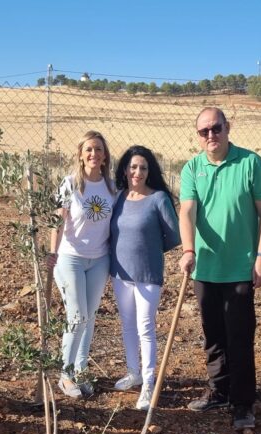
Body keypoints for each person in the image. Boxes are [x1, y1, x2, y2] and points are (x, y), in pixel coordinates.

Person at [178, 107, 261, 430]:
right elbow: (187, 211)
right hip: (205, 268)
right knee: (214, 335)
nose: (210, 136)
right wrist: (188, 249)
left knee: (240, 337)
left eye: (215, 128)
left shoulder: (250, 163)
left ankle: (243, 402)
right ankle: (219, 390)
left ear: (227, 127)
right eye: (203, 131)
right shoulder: (192, 168)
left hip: (240, 269)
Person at [48, 131, 118, 398]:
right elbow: (57, 221)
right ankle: (65, 375)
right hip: (70, 258)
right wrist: (52, 253)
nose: (93, 154)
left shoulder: (111, 188)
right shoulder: (70, 184)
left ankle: (81, 370)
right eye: (89, 149)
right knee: (76, 316)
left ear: (104, 156)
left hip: (99, 259)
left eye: (98, 149)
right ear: (80, 154)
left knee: (89, 317)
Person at [109, 145, 180, 410]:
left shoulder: (158, 198)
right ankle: (133, 372)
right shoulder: (118, 197)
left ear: (150, 172)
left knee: (145, 327)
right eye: (133, 167)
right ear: (125, 169)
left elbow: (174, 235)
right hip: (120, 273)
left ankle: (149, 384)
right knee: (127, 325)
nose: (137, 172)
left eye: (143, 168)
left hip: (148, 274)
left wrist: (150, 248)